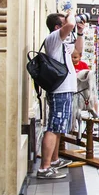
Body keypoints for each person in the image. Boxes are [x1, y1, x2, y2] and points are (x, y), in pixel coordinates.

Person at [37, 12, 83, 179]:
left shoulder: (61, 42)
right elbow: (69, 25)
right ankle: (44, 167)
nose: (68, 24)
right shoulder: (53, 38)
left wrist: (80, 32)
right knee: (54, 128)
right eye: (64, 22)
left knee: (58, 128)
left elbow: (78, 49)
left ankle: (54, 160)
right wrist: (70, 14)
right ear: (58, 27)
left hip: (64, 89)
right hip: (59, 90)